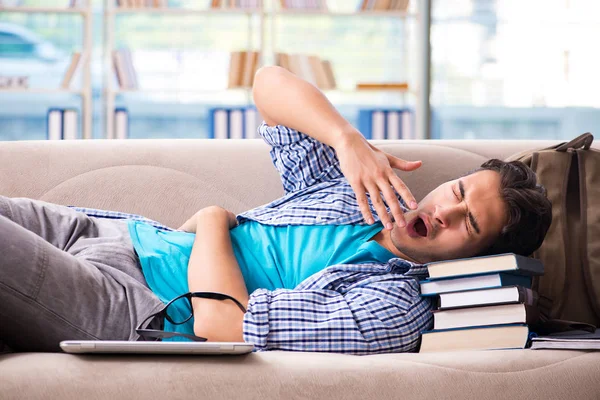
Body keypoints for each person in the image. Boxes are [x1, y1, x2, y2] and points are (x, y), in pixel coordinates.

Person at [0, 66, 552, 355]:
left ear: (476, 262)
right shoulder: (349, 192)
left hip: (129, 301)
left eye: (469, 226)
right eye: (455, 193)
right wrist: (346, 140)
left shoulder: (391, 305)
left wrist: (215, 217)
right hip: (101, 229)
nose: (444, 213)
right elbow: (268, 83)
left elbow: (223, 324)